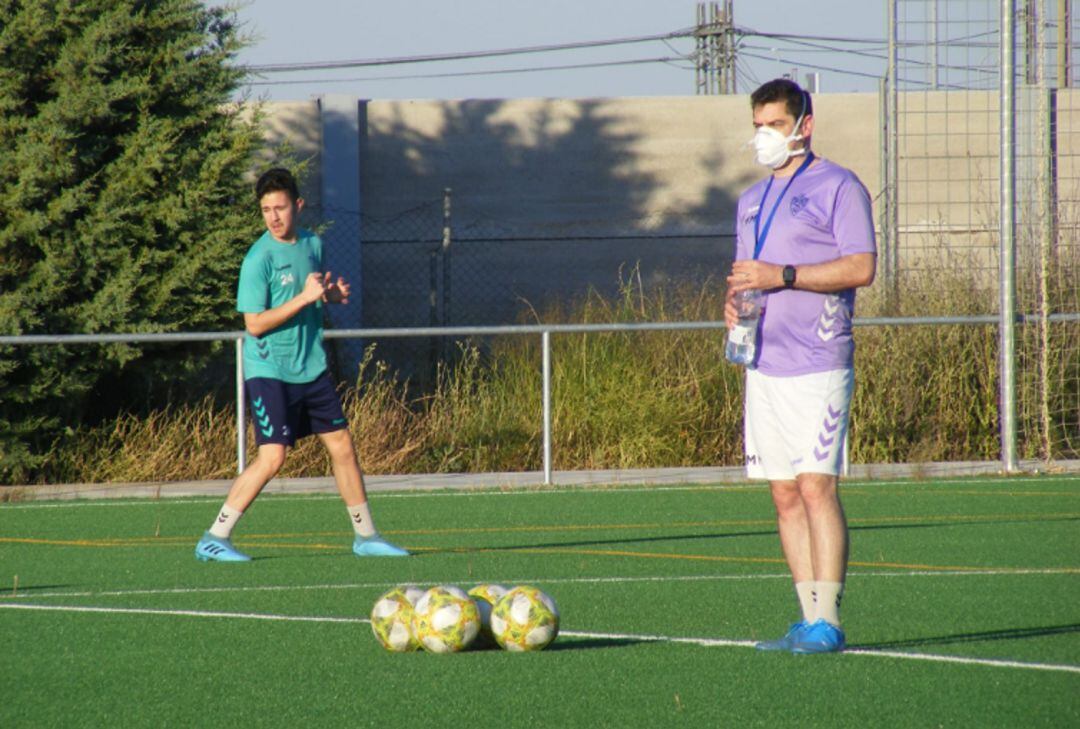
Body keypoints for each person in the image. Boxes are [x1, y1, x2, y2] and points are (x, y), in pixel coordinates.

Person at [725, 80, 876, 653]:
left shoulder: (838, 186)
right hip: (762, 362)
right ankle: (806, 616)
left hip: (817, 360)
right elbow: (745, 271)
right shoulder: (750, 199)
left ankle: (830, 621)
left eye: (774, 124)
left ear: (804, 125)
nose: (763, 135)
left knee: (816, 487)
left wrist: (782, 275)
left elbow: (861, 266)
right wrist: (734, 301)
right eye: (758, 125)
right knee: (784, 495)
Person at [195, 168, 408, 562]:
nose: (273, 217)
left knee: (342, 445)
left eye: (280, 207)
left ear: (298, 206)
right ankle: (214, 536)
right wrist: (307, 299)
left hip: (310, 368)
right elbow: (254, 324)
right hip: (269, 370)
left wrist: (329, 295)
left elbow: (307, 292)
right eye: (265, 210)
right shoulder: (257, 259)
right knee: (273, 457)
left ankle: (366, 537)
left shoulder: (312, 244)